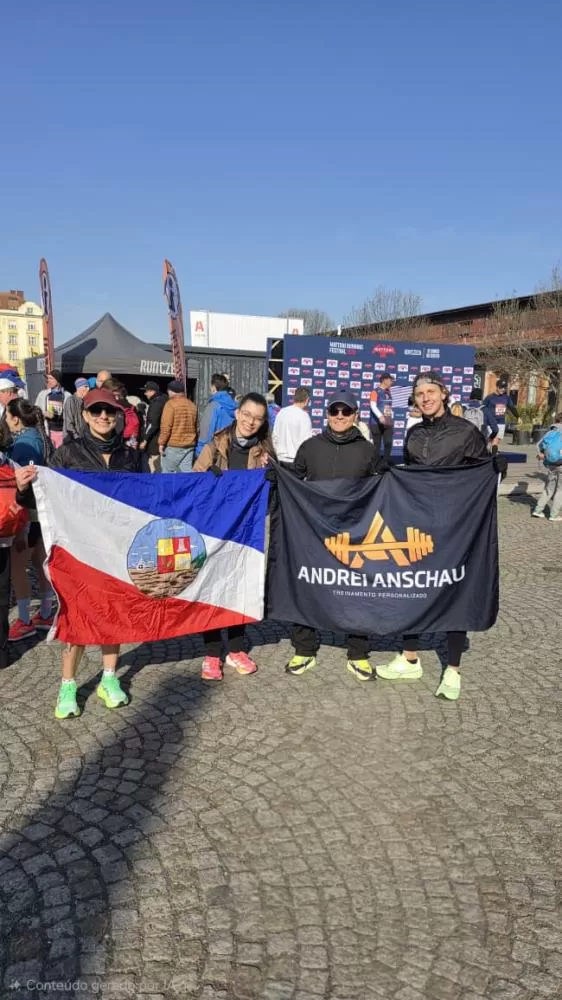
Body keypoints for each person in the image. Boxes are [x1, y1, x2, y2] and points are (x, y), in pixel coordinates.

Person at [376, 371, 500, 701]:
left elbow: (479, 472)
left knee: (455, 591)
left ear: (443, 394)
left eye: (431, 391)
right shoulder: (413, 434)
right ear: (414, 400)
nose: (426, 398)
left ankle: (453, 669)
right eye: (420, 394)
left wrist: (492, 467)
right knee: (412, 588)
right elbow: (415, 477)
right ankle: (410, 657)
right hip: (418, 523)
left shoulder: (466, 431)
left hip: (456, 527)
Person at [16, 388, 138, 719]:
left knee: (113, 615)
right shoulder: (67, 454)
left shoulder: (130, 457)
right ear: (84, 415)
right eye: (96, 411)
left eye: (109, 412)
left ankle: (109, 679)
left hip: (117, 549)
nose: (103, 417)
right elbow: (41, 500)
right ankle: (68, 685)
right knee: (78, 619)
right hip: (79, 552)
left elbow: (150, 499)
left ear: (117, 416)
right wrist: (24, 487)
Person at [286, 390, 379, 682]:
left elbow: (387, 484)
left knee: (358, 591)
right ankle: (304, 649)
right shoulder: (310, 447)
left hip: (355, 533)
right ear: (326, 414)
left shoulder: (367, 450)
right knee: (307, 585)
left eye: (346, 411)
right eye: (334, 411)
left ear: (355, 415)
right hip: (314, 531)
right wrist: (276, 476)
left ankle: (358, 653)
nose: (340, 416)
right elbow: (295, 479)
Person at [193, 392, 274, 680]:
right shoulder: (215, 446)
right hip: (214, 530)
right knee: (213, 591)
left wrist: (271, 481)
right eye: (247, 414)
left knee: (240, 591)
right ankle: (212, 653)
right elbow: (193, 483)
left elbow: (268, 497)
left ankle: (236, 649)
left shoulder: (263, 451)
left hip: (244, 534)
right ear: (238, 413)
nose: (251, 422)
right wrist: (206, 479)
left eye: (258, 418)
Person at [5, 400, 54, 641]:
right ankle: (45, 613)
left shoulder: (23, 444)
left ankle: (24, 619)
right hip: (42, 511)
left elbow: (22, 483)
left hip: (26, 513)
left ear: (15, 419)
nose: (5, 420)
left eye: (7, 416)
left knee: (17, 567)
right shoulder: (40, 437)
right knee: (39, 563)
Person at [159, 380, 197, 473]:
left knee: (167, 473)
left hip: (174, 445)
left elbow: (166, 427)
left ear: (171, 391)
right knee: (187, 473)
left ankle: (168, 488)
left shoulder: (170, 404)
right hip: (189, 445)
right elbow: (196, 427)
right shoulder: (192, 405)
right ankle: (190, 488)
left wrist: (161, 443)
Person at [195, 374, 237, 457]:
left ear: (214, 388)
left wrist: (199, 452)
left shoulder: (213, 406)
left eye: (211, 386)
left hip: (213, 452)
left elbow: (205, 431)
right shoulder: (234, 406)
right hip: (230, 451)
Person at [272, 388, 312, 470]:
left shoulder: (282, 412)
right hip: (296, 461)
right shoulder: (304, 416)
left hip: (280, 460)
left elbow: (274, 436)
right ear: (307, 400)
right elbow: (306, 442)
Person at [532, 413, 562, 522]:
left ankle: (538, 510)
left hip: (550, 464)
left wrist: (542, 455)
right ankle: (553, 515)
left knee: (549, 488)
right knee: (560, 490)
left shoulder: (550, 432)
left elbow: (538, 445)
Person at [35, 370, 71, 449]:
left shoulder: (67, 395)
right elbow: (36, 410)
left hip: (62, 432)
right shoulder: (43, 394)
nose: (48, 381)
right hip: (47, 431)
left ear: (58, 381)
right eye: (48, 378)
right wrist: (42, 414)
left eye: (51, 378)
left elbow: (70, 415)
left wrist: (57, 416)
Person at [103, 378, 140, 448]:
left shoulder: (121, 409)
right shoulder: (98, 409)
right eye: (114, 396)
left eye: (119, 396)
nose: (117, 399)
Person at [139, 381, 168, 472]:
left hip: (155, 441)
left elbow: (152, 423)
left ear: (152, 391)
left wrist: (145, 440)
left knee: (154, 468)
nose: (145, 393)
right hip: (163, 440)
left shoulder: (156, 403)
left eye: (146, 391)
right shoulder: (165, 399)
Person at [483, 378, 518, 449]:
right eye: (501, 387)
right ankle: (492, 456)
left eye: (504, 388)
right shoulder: (489, 398)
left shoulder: (506, 398)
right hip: (491, 423)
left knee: (496, 441)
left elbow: (511, 407)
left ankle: (486, 450)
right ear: (497, 387)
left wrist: (518, 416)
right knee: (495, 440)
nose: (503, 389)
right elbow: (483, 408)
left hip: (501, 422)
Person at [370, 372, 394, 461]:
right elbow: (372, 405)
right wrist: (380, 416)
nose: (392, 382)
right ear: (384, 380)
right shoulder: (375, 391)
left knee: (388, 443)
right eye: (390, 380)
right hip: (375, 422)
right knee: (377, 445)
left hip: (388, 422)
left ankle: (385, 463)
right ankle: (375, 466)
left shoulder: (388, 392)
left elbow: (389, 407)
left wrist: (391, 417)